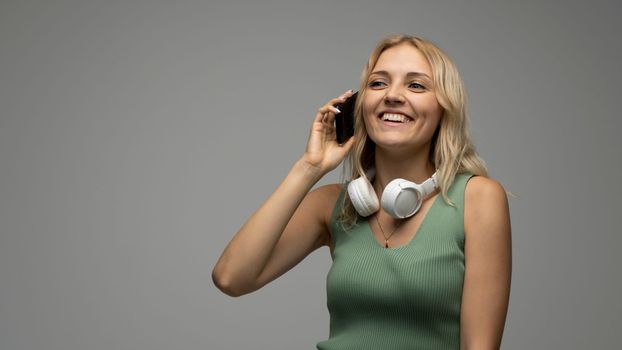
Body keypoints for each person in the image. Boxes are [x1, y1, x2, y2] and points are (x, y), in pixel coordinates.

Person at [212, 34, 512, 350]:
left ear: (443, 108)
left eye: (416, 85)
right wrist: (310, 167)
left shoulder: (477, 198)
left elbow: (480, 346)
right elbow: (231, 277)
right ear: (360, 105)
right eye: (379, 83)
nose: (393, 95)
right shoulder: (333, 205)